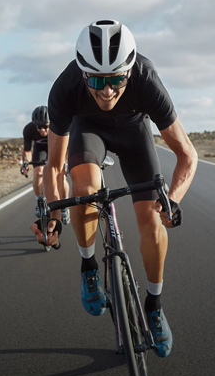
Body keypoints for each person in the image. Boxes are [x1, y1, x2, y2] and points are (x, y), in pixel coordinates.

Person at [30, 20, 198, 358]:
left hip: (135, 131)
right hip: (87, 130)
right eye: (97, 80)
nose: (107, 91)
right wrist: (54, 214)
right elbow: (55, 166)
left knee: (152, 220)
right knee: (85, 187)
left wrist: (173, 200)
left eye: (116, 79)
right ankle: (89, 266)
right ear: (82, 73)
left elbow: (187, 154)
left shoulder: (146, 79)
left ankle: (153, 303)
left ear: (129, 72)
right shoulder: (64, 89)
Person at [21, 105, 70, 224]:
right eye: (39, 127)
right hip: (40, 149)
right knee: (38, 174)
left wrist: (66, 162)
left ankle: (64, 205)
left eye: (45, 126)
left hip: (56, 146)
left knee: (61, 176)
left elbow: (66, 148)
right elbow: (27, 150)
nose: (42, 130)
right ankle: (39, 202)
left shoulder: (58, 127)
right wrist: (25, 163)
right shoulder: (28, 130)